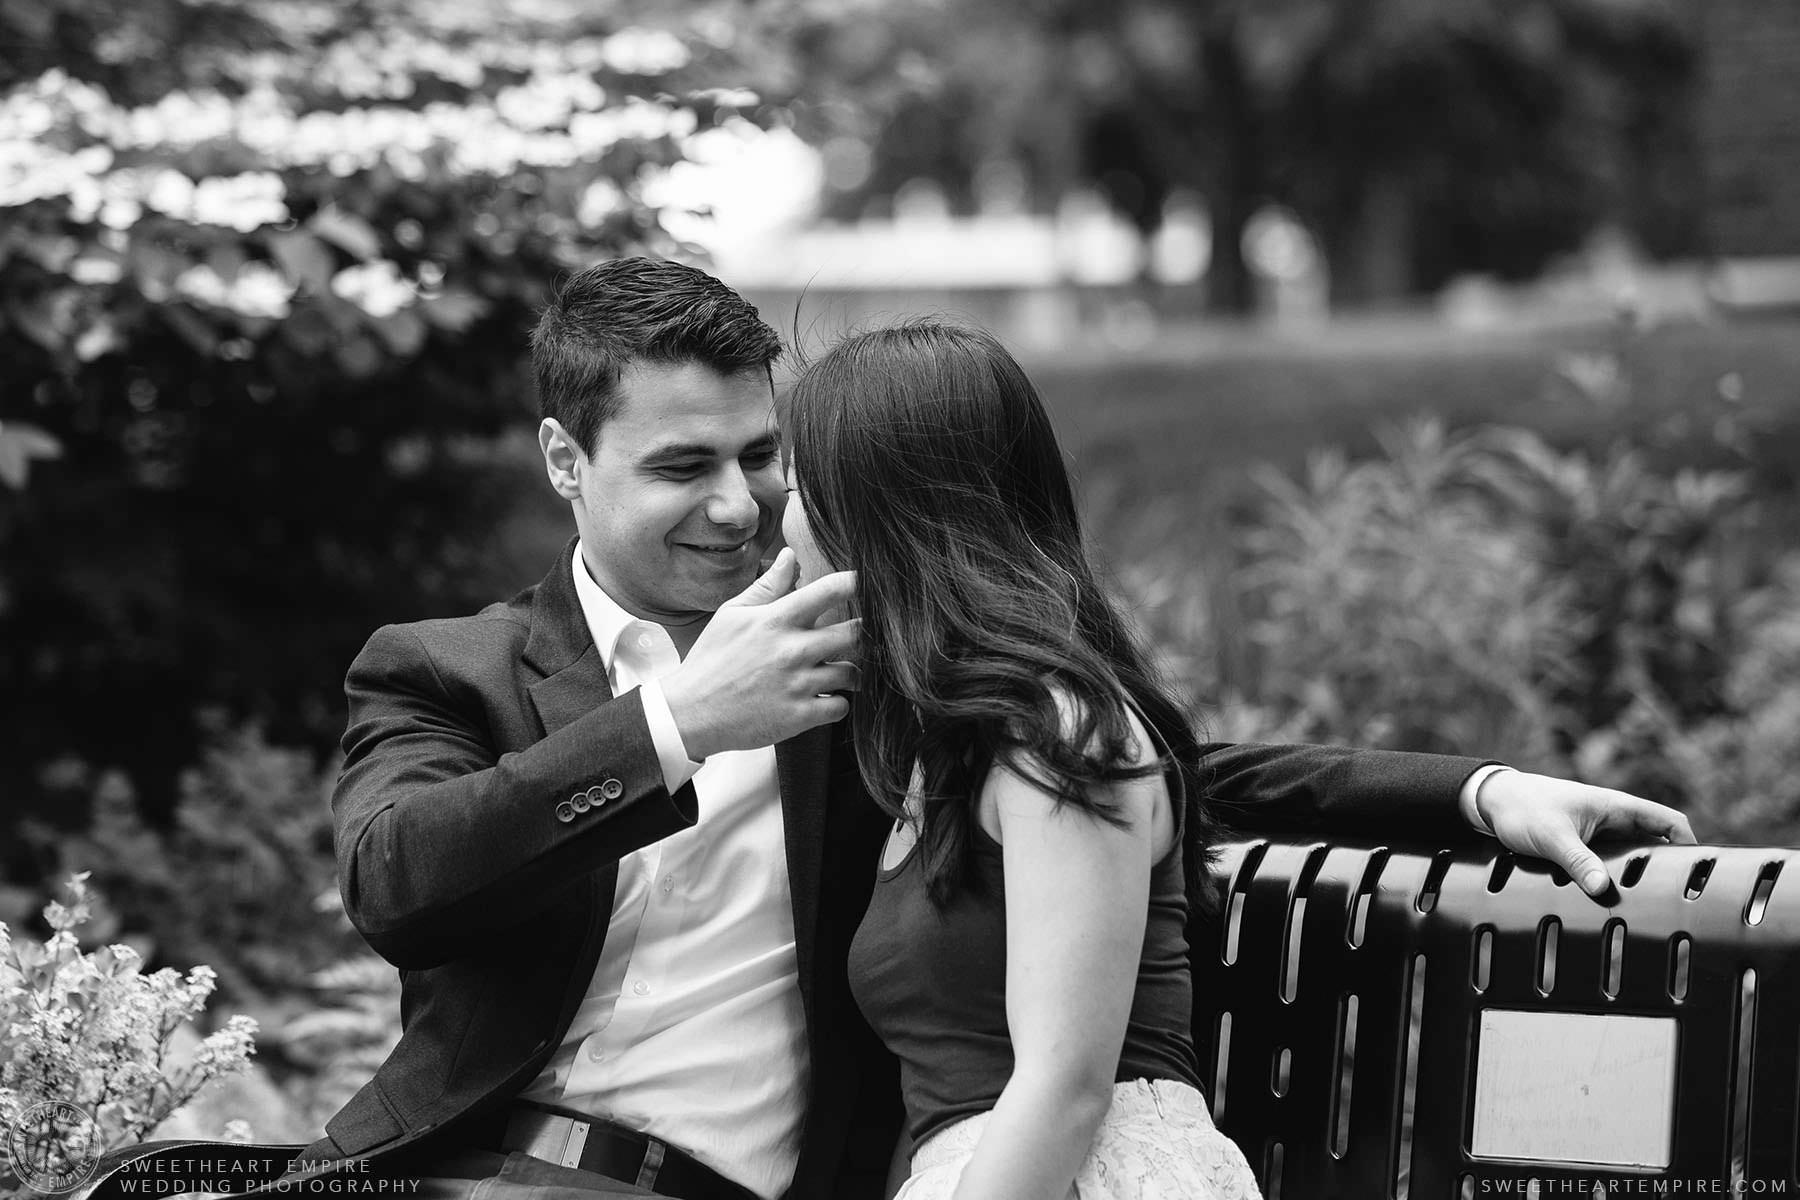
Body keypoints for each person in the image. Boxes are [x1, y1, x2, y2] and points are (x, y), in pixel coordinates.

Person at [300, 260, 1691, 1200]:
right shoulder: (450, 672)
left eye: (761, 458)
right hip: (485, 1169)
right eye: (681, 468)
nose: (737, 505)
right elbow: (398, 879)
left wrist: (1477, 792)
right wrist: (678, 723)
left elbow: (1115, 756)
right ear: (565, 464)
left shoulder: (879, 682)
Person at [777, 319, 1697, 1200]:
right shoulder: (932, 751)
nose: (776, 526)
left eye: (796, 492)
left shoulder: (1058, 737)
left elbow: (1063, 1091)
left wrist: (1483, 791)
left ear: (880, 520)